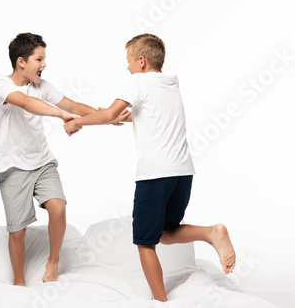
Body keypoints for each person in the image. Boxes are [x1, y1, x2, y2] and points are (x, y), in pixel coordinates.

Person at [64, 33, 236, 302]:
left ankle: (161, 302)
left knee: (145, 242)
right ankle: (210, 232)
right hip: (182, 172)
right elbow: (150, 115)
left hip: (155, 174)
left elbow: (110, 113)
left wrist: (78, 123)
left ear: (142, 61)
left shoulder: (137, 81)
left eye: (129, 60)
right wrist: (122, 117)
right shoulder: (169, 83)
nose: (127, 66)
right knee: (166, 233)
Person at [0, 32, 128, 286]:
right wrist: (60, 115)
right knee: (17, 230)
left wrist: (112, 116)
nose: (44, 64)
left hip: (42, 162)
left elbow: (74, 106)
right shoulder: (1, 84)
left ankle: (53, 261)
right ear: (21, 61)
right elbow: (24, 102)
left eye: (44, 59)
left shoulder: (43, 85)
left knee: (58, 207)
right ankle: (19, 282)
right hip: (12, 166)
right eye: (39, 59)